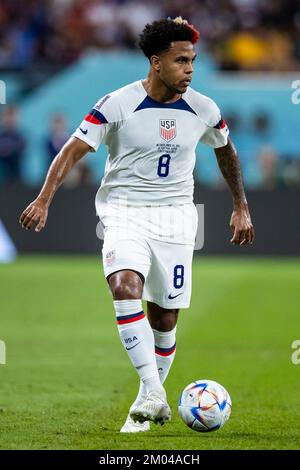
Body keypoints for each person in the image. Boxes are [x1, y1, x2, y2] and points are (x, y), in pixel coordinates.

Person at [19, 17, 254, 433]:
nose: (190, 68)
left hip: (179, 218)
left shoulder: (203, 108)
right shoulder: (117, 103)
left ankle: (144, 405)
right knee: (124, 284)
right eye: (181, 60)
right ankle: (154, 391)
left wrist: (241, 205)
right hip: (124, 212)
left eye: (193, 60)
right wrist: (43, 198)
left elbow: (226, 151)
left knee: (164, 319)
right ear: (156, 61)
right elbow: (72, 150)